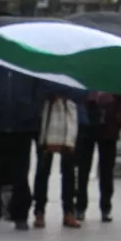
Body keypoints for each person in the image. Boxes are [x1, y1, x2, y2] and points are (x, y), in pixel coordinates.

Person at [0, 60, 42, 229]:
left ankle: (20, 215)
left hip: (22, 124)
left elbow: (39, 86)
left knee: (20, 172)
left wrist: (32, 109)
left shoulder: (27, 57)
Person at [32, 93, 87, 229]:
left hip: (70, 118)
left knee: (69, 170)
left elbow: (82, 92)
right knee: (43, 169)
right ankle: (39, 211)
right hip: (47, 116)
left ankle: (68, 211)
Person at [75, 93, 121, 222]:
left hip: (109, 125)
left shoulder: (114, 78)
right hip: (87, 123)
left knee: (107, 170)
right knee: (83, 168)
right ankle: (80, 205)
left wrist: (119, 119)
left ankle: (106, 207)